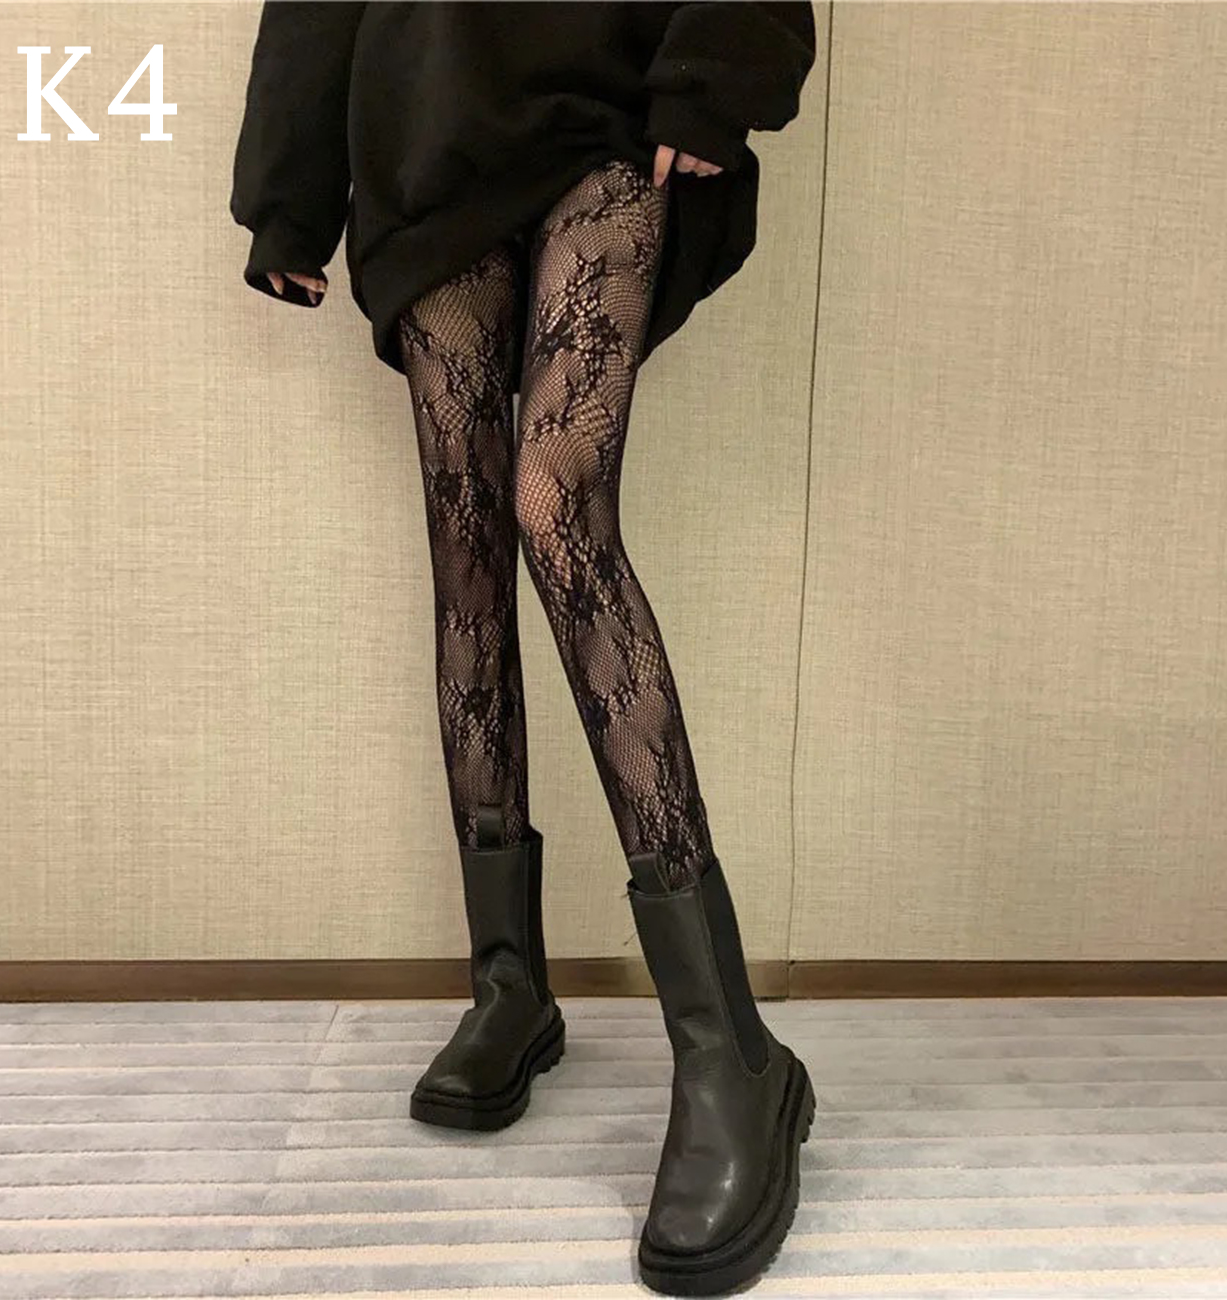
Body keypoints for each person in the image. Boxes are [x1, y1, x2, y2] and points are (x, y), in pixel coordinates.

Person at [231, 3, 817, 1293]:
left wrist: (718, 69)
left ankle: (729, 1048)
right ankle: (510, 987)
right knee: (466, 546)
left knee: (555, 503)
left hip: (607, 102)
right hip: (425, 131)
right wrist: (289, 197)